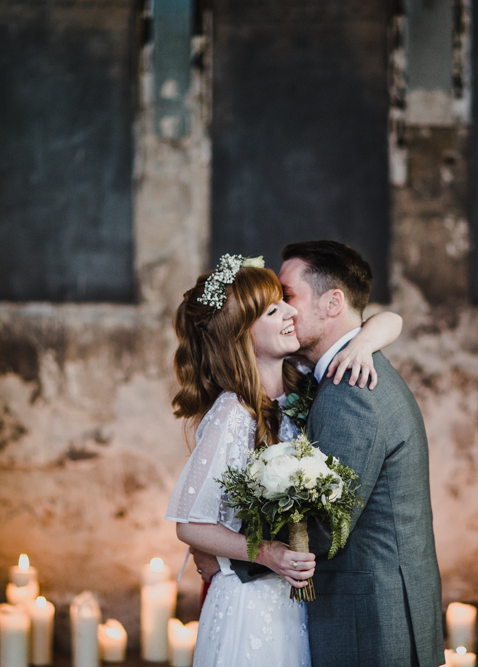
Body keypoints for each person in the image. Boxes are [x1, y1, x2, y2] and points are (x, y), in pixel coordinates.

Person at [165, 254, 403, 667]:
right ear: (242, 335)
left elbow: (391, 320)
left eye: (284, 301)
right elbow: (189, 523)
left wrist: (363, 344)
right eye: (274, 310)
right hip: (251, 601)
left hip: (295, 603)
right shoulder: (232, 414)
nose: (291, 312)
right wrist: (267, 554)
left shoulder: (300, 380)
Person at [280, 240, 443, 667]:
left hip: (367, 627)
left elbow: (325, 531)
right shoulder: (348, 372)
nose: (280, 310)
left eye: (288, 296)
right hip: (380, 616)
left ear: (333, 303)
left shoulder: (349, 391)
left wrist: (233, 547)